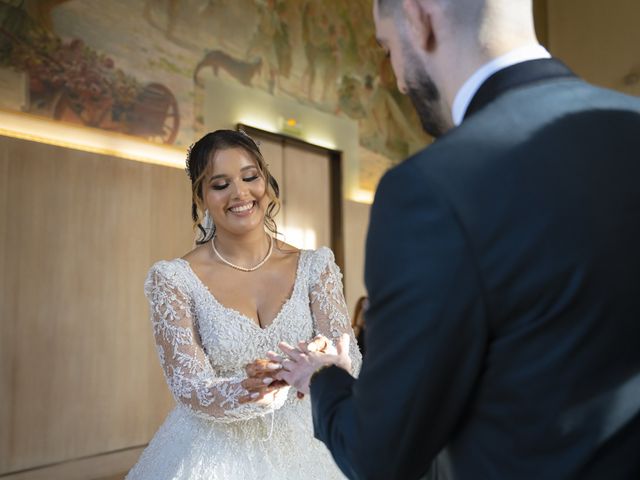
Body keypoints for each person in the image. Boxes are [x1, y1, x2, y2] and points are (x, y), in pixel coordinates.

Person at [244, 0, 640, 478]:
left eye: (388, 48)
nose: (396, 78)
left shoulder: (432, 187)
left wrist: (325, 378)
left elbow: (382, 456)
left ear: (418, 16)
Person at [125, 129, 361, 480]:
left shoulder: (316, 266)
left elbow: (351, 358)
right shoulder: (174, 279)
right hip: (215, 453)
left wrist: (318, 357)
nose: (240, 193)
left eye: (250, 177)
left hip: (313, 441)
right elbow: (190, 387)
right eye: (220, 185)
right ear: (201, 196)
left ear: (265, 180)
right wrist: (250, 390)